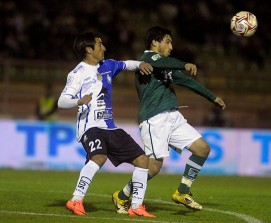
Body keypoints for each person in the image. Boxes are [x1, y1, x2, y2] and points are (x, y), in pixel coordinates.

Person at [112, 26, 226, 213]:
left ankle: (183, 191)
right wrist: (183, 64)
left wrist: (212, 97)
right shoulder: (147, 59)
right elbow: (163, 63)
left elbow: (188, 82)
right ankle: (122, 195)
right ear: (155, 43)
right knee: (154, 167)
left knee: (202, 149)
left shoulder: (166, 65)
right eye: (168, 41)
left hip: (173, 116)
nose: (171, 46)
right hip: (154, 118)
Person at [57, 32, 155, 218]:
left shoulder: (107, 65)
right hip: (90, 127)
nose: (104, 47)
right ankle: (76, 200)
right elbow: (62, 102)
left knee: (143, 160)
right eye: (99, 44)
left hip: (110, 127)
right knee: (99, 157)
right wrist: (79, 101)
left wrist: (140, 64)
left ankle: (136, 206)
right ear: (88, 49)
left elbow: (127, 64)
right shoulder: (77, 73)